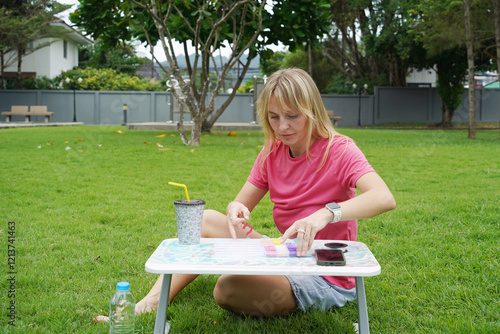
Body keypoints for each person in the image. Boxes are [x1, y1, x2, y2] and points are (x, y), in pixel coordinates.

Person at [105, 68, 395, 320]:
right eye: (273, 117)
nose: (282, 127)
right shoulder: (272, 152)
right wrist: (235, 209)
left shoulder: (340, 149)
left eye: (292, 116)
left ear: (311, 111)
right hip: (285, 252)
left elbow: (384, 198)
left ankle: (276, 287)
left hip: (324, 274)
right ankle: (153, 301)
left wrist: (327, 213)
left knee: (227, 289)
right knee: (205, 219)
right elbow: (240, 203)